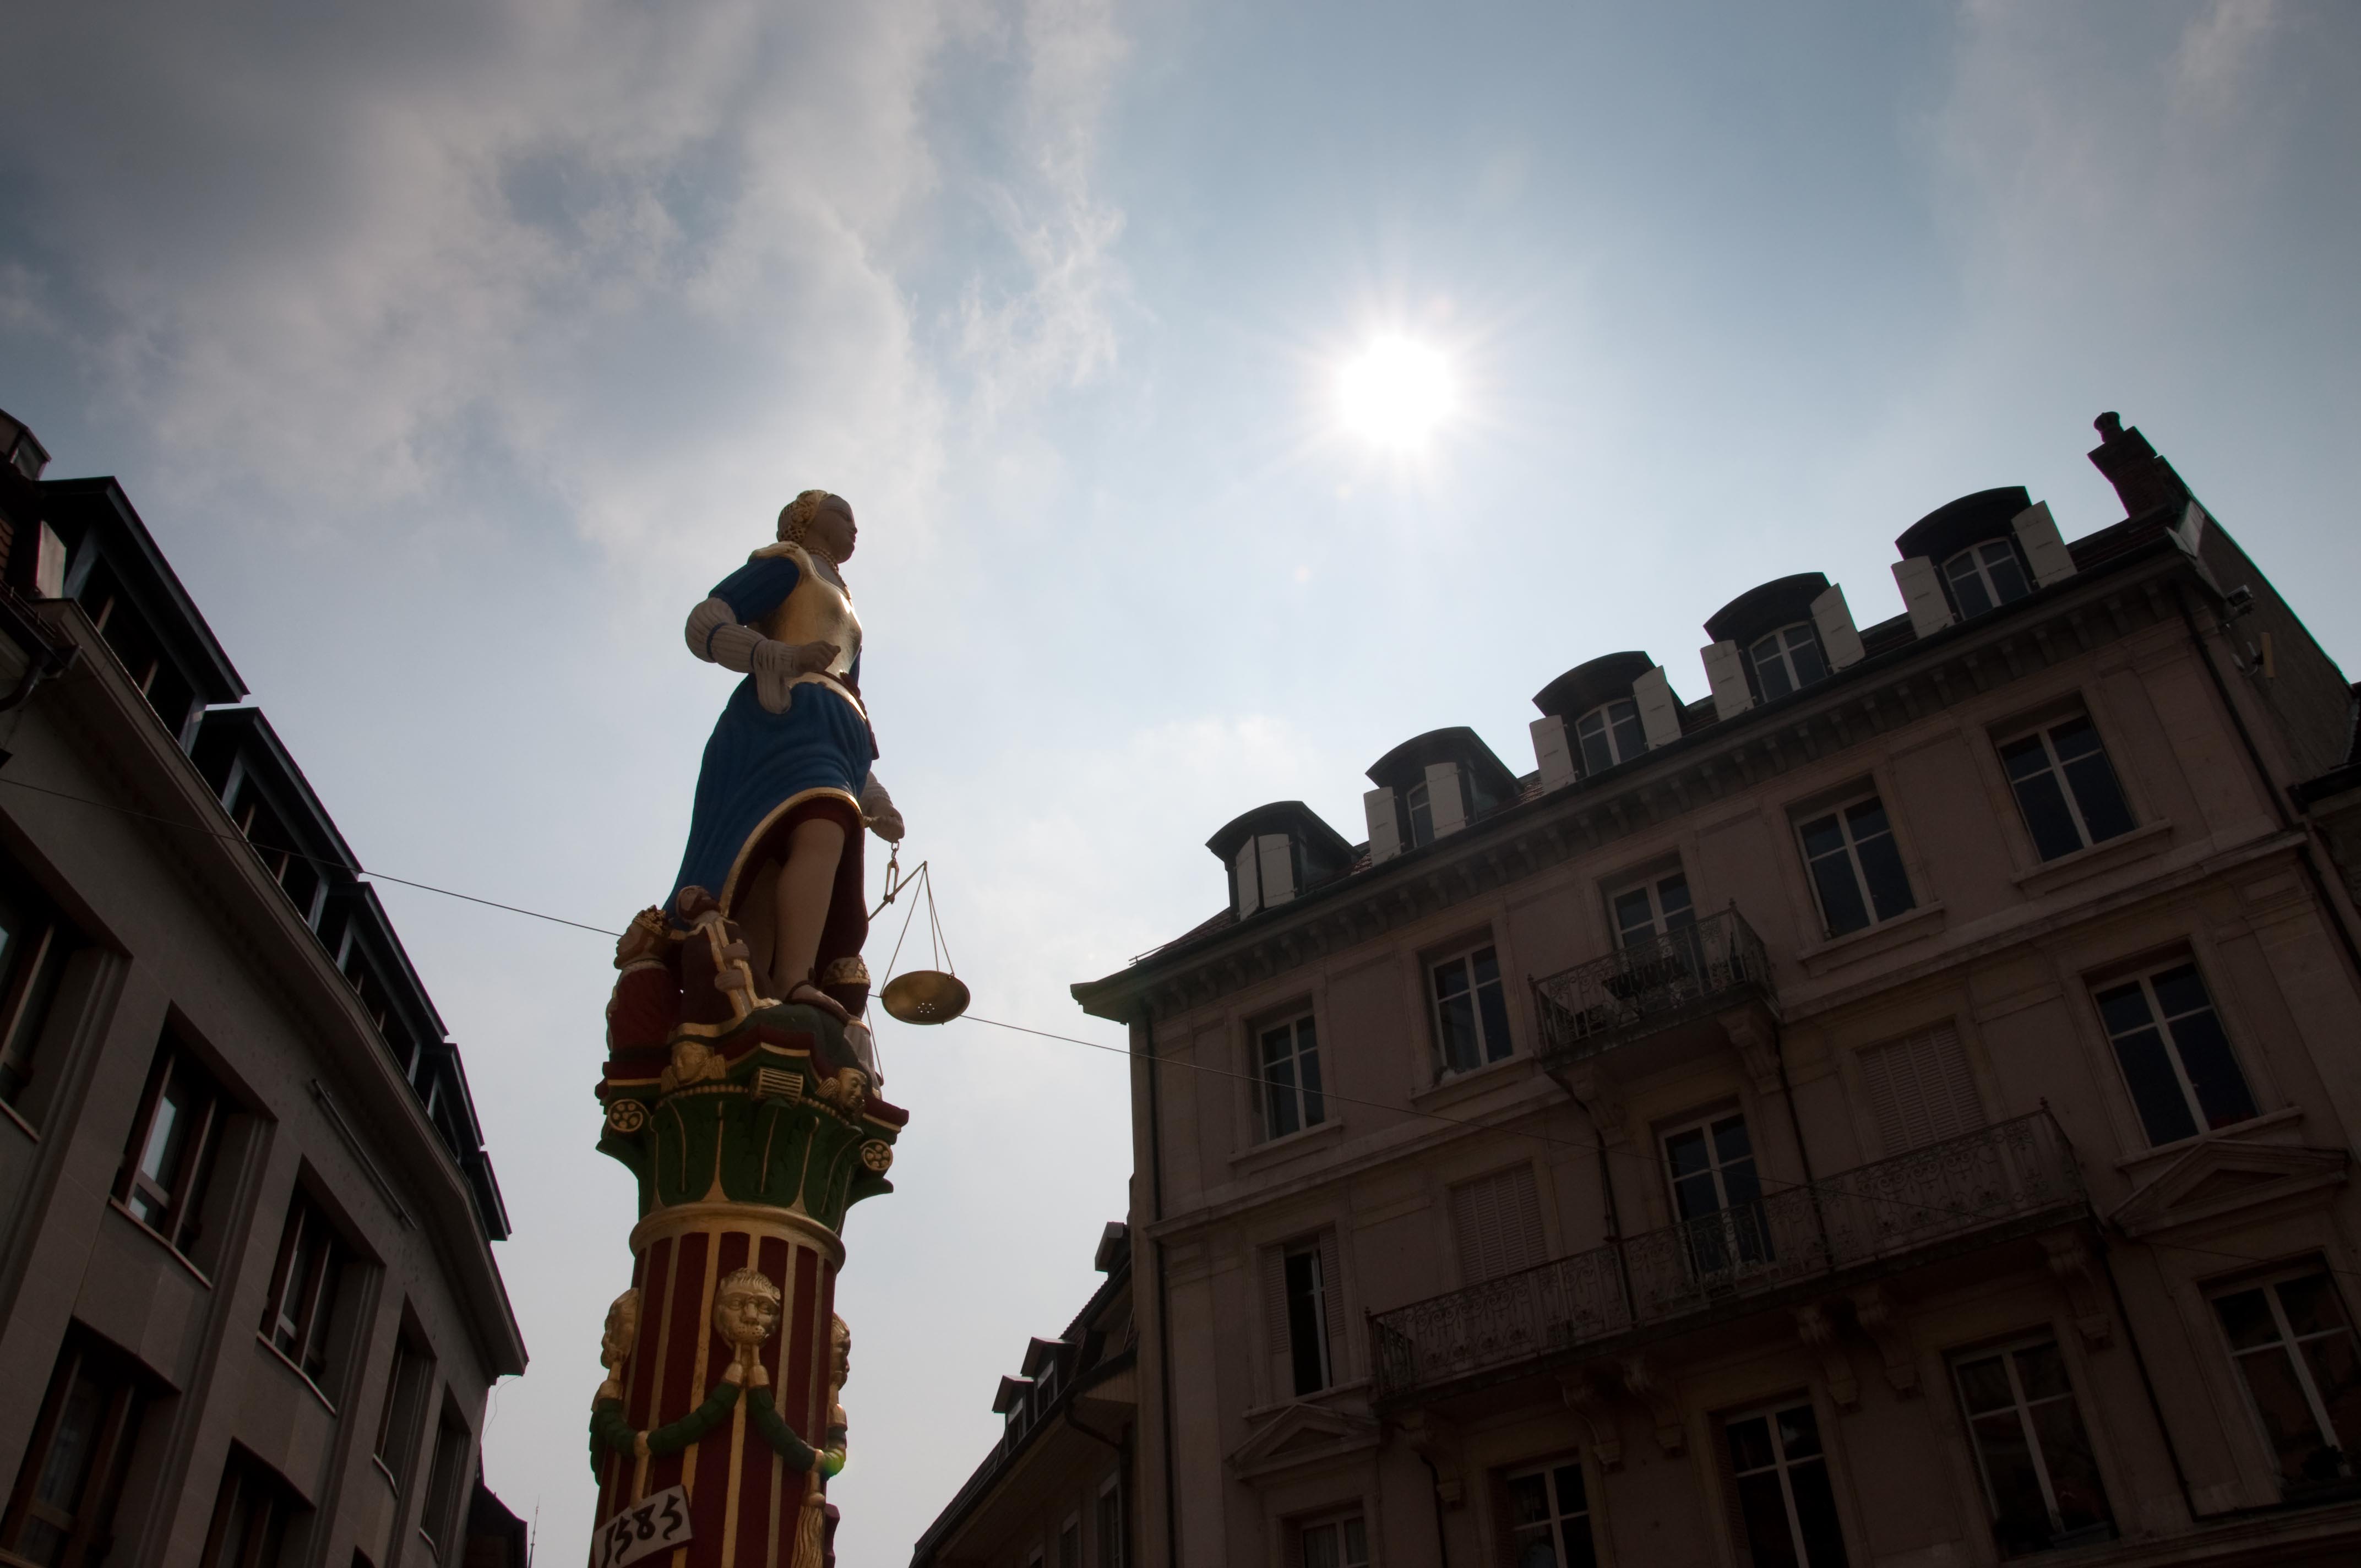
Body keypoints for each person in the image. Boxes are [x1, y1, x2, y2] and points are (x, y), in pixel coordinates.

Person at [672, 490, 905, 1023]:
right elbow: (707, 620)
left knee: (783, 860)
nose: (854, 525)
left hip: (837, 726)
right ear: (805, 519)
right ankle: (793, 978)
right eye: (841, 513)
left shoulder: (846, 604)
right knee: (815, 828)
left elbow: (854, 697)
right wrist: (775, 654)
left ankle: (762, 981)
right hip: (783, 716)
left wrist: (877, 798)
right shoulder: (788, 566)